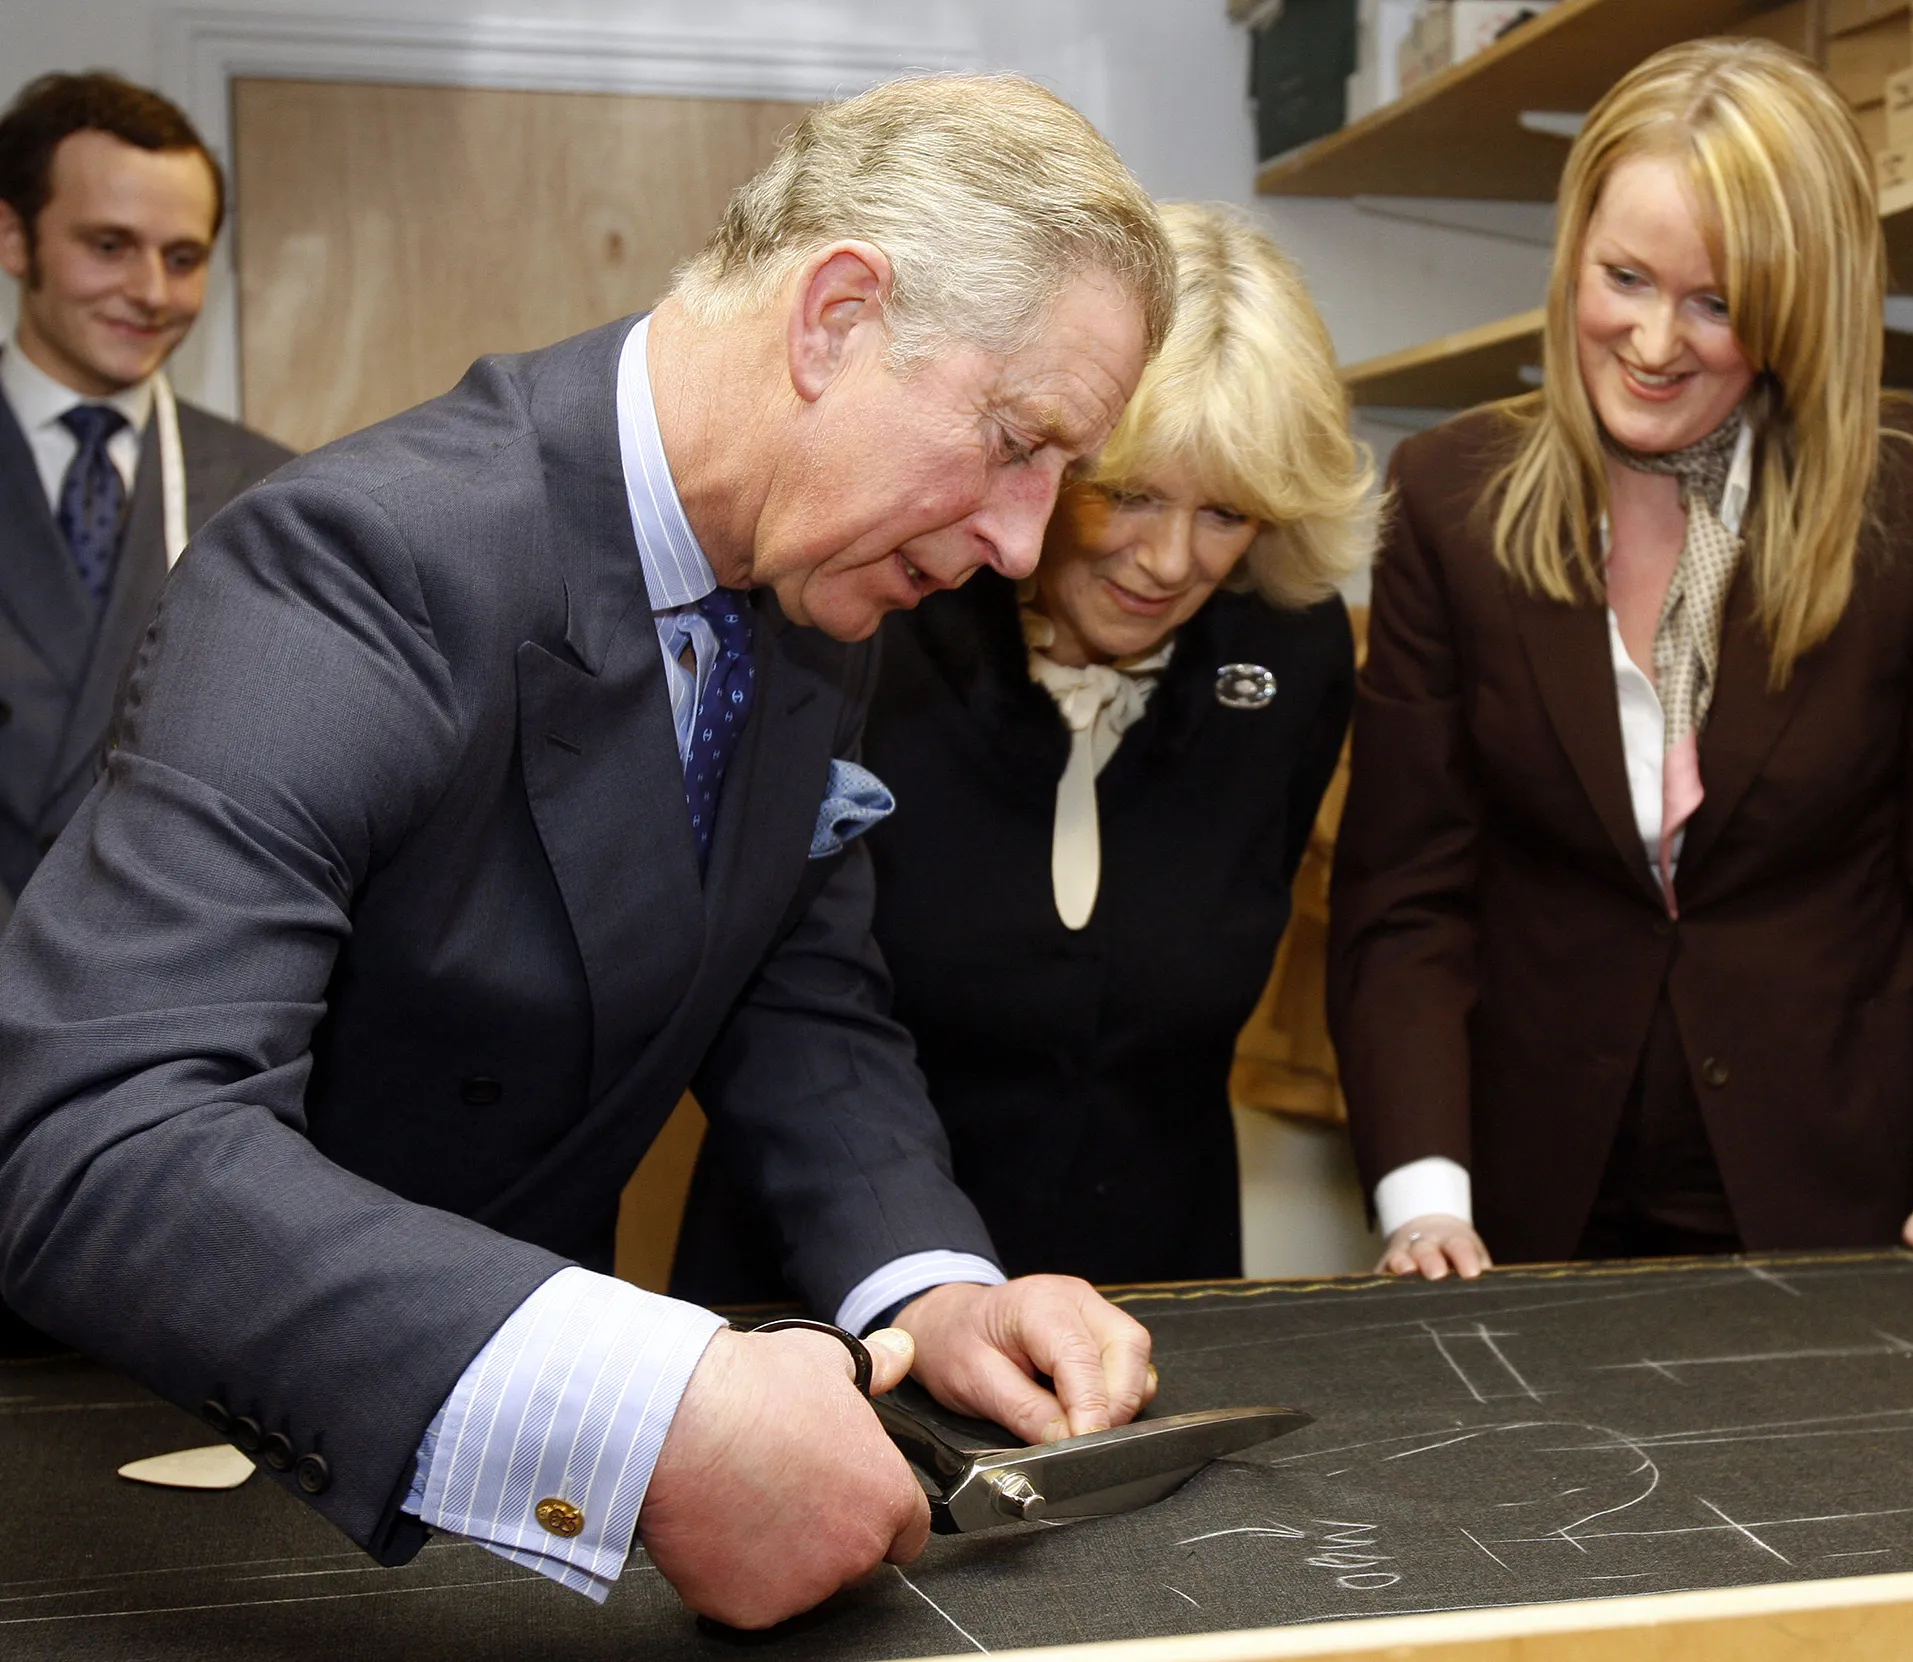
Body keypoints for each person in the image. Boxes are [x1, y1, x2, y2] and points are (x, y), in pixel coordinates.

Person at [0, 74, 1178, 1631]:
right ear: (836, 318)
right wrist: (648, 1408)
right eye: (1017, 442)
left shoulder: (824, 580)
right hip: (192, 1460)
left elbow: (793, 991)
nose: (1024, 543)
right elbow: (98, 1130)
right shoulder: (359, 561)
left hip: (531, 1532)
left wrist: (928, 1283)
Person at [1327, 40, 1913, 1292]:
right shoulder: (1448, 497)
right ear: (1572, 253)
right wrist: (1422, 1201)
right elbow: (1406, 895)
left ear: (1802, 307)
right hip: (1517, 1204)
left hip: (1836, 1196)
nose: (1649, 342)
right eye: (1623, 278)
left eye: (1716, 303)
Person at [679, 203, 1372, 1293]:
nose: (1169, 562)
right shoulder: (872, 618)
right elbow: (766, 1002)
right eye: (1128, 496)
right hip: (829, 1283)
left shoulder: (1289, 652)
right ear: (1041, 460)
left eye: (1227, 513)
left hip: (1150, 1291)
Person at [0, 72, 290, 929]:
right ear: (14, 239)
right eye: (109, 245)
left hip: (150, 968)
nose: (152, 293)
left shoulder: (271, 492)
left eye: (182, 259)